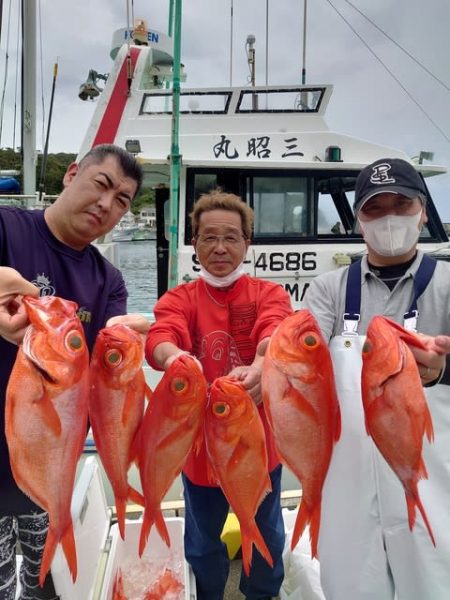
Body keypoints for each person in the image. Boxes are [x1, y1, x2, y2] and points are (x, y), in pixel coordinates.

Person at [0, 143, 150, 600]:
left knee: (45, 585)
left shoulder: (109, 280)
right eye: (101, 184)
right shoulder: (7, 226)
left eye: (122, 199)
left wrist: (127, 347)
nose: (107, 204)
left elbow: (106, 374)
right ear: (70, 175)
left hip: (51, 456)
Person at [303, 157, 450, 600]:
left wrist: (442, 369)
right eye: (374, 208)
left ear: (423, 210)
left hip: (435, 480)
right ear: (358, 220)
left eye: (400, 204)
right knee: (351, 587)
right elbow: (302, 349)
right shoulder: (328, 288)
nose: (388, 217)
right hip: (348, 489)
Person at [145, 189, 293, 600]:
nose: (220, 248)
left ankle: (261, 593)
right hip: (198, 451)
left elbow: (276, 329)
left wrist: (264, 365)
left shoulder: (270, 294)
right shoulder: (180, 298)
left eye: (231, 237)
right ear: (194, 244)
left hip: (257, 445)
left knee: (268, 535)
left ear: (248, 242)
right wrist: (174, 357)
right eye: (209, 237)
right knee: (202, 541)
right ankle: (208, 594)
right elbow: (161, 334)